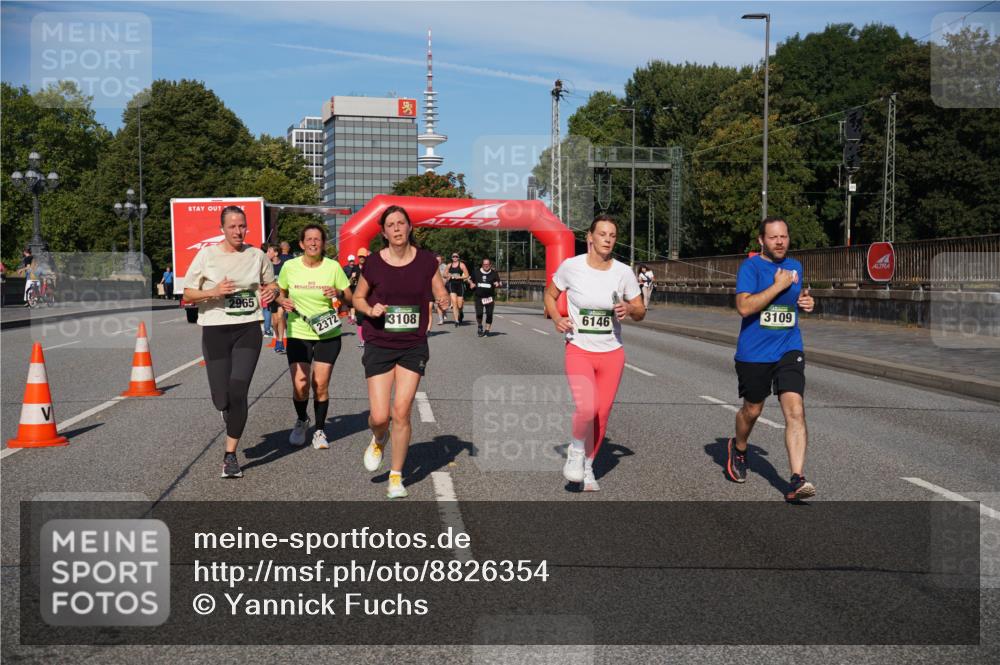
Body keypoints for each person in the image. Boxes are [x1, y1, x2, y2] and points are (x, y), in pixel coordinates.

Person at [353, 205, 450, 499]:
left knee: (402, 412)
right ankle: (379, 437)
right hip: (379, 342)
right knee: (381, 415)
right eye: (391, 225)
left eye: (401, 223)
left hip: (412, 344)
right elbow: (357, 297)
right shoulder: (373, 263)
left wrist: (444, 299)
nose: (396, 228)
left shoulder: (425, 262)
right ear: (383, 232)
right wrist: (371, 308)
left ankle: (396, 476)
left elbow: (439, 291)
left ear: (409, 228)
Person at [544, 214, 645, 492]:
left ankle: (588, 465)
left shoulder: (623, 272)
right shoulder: (571, 267)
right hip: (579, 348)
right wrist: (556, 318)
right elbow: (550, 295)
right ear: (590, 237)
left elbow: (641, 311)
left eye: (612, 235)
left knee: (601, 413)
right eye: (602, 234)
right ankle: (576, 451)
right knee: (586, 408)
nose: (607, 239)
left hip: (612, 353)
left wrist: (630, 308)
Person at [183, 205, 277, 479]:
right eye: (233, 226)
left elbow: (271, 284)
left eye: (242, 226)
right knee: (221, 398)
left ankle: (230, 455)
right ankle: (226, 410)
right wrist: (213, 291)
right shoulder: (207, 255)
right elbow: (188, 292)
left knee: (238, 392)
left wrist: (271, 292)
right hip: (215, 330)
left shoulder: (257, 255)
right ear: (222, 229)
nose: (238, 231)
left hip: (248, 329)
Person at [727, 216, 816, 501]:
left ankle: (797, 479)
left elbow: (795, 299)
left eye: (784, 237)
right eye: (774, 237)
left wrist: (805, 301)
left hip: (789, 347)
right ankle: (739, 448)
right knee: (752, 410)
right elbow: (743, 307)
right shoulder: (750, 267)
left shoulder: (795, 266)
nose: (780, 242)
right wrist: (777, 287)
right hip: (754, 353)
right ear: (761, 241)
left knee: (796, 410)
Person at [276, 224, 352, 450]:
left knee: (320, 383)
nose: (313, 243)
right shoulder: (289, 267)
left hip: (327, 333)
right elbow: (281, 293)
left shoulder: (333, 267)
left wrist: (337, 293)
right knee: (300, 385)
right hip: (299, 332)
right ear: (301, 244)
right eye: (308, 239)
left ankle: (319, 429)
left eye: (317, 239)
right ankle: (302, 420)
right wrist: (283, 301)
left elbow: (349, 297)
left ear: (323, 243)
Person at [470, 257, 502, 337]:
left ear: (490, 265)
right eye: (484, 264)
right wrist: (471, 283)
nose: (486, 266)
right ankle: (480, 325)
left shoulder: (494, 273)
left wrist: (498, 284)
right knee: (479, 314)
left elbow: (499, 282)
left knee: (489, 314)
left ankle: (487, 330)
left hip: (489, 297)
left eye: (487, 264)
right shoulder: (476, 272)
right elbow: (470, 279)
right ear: (482, 264)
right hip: (479, 297)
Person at [271, 244, 290, 353]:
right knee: (275, 321)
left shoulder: (284, 265)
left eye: (270, 251)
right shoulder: (268, 266)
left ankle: (280, 341)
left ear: (276, 253)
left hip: (282, 295)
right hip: (272, 297)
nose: (268, 253)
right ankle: (277, 336)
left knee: (280, 316)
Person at [446, 252, 470, 325]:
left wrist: (459, 277)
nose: (455, 258)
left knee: (459, 305)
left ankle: (461, 312)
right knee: (454, 303)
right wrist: (448, 275)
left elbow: (467, 275)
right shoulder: (449, 265)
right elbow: (444, 274)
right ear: (452, 258)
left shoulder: (462, 265)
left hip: (460, 285)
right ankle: (456, 320)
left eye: (456, 256)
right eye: (453, 256)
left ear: (458, 258)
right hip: (452, 284)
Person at [434, 254, 449, 325]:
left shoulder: (445, 266)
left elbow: (448, 276)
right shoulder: (432, 266)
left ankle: (445, 311)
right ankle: (441, 319)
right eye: (437, 260)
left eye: (439, 260)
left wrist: (445, 282)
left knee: (444, 303)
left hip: (444, 287)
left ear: (441, 260)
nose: (438, 261)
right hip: (435, 288)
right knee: (437, 303)